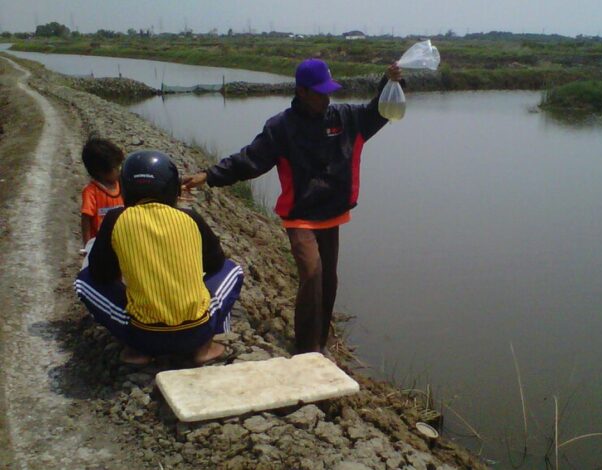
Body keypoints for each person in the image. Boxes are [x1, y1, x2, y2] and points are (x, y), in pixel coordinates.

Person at [182, 58, 403, 354]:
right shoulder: (281, 127)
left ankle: (321, 343)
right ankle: (306, 349)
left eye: (329, 91)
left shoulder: (345, 119)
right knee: (312, 273)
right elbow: (250, 160)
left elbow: (380, 111)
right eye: (320, 92)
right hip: (300, 215)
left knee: (328, 281)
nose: (327, 98)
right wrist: (210, 175)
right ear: (302, 91)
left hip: (332, 213)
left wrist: (390, 82)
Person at [74, 150, 244, 365]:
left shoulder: (115, 219)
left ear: (125, 189)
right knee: (232, 269)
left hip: (144, 336)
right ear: (172, 189)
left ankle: (137, 351)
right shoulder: (190, 218)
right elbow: (215, 263)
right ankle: (204, 349)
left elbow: (100, 274)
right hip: (195, 333)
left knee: (83, 281)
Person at [80, 138, 125, 250]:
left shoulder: (122, 186)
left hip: (121, 241)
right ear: (101, 172)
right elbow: (86, 220)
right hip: (100, 245)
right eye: (116, 168)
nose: (119, 170)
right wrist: (87, 247)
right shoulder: (91, 191)